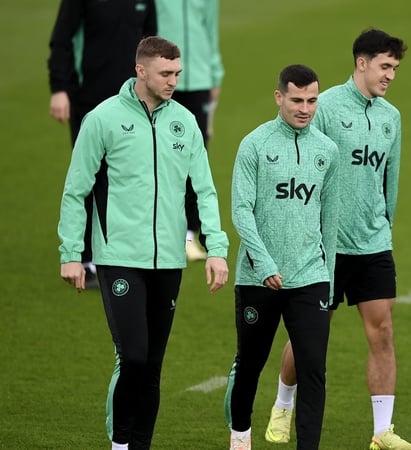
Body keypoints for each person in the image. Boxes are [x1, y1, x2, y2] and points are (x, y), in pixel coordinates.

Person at [57, 36, 230, 450]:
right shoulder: (102, 119)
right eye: (165, 73)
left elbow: (204, 190)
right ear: (141, 71)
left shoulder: (184, 122)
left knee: (152, 366)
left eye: (177, 73)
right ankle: (120, 444)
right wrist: (71, 255)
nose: (174, 81)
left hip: (169, 260)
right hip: (119, 257)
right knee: (132, 356)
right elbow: (75, 190)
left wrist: (217, 248)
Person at [263, 29, 411, 450]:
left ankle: (381, 431)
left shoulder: (391, 117)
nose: (390, 75)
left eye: (395, 68)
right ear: (362, 63)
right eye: (385, 66)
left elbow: (391, 179)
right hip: (324, 247)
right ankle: (283, 403)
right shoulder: (326, 107)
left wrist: (383, 222)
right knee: (311, 338)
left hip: (373, 244)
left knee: (383, 332)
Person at [224, 64, 340, 450]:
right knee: (250, 366)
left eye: (312, 100)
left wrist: (330, 281)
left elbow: (330, 221)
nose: (305, 108)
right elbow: (241, 211)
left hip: (310, 278)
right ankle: (240, 436)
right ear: (279, 98)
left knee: (313, 370)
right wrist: (265, 263)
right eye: (297, 100)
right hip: (258, 279)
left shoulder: (327, 151)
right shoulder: (255, 145)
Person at [49, 0, 157, 288]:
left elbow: (152, 48)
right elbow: (61, 40)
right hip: (89, 99)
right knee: (88, 178)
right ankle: (84, 257)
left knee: (127, 178)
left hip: (131, 104)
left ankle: (118, 256)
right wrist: (60, 88)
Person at [155, 0, 225, 261]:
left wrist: (214, 73)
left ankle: (188, 234)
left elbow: (209, 29)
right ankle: (160, 230)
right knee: (159, 157)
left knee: (195, 158)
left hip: (198, 79)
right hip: (160, 80)